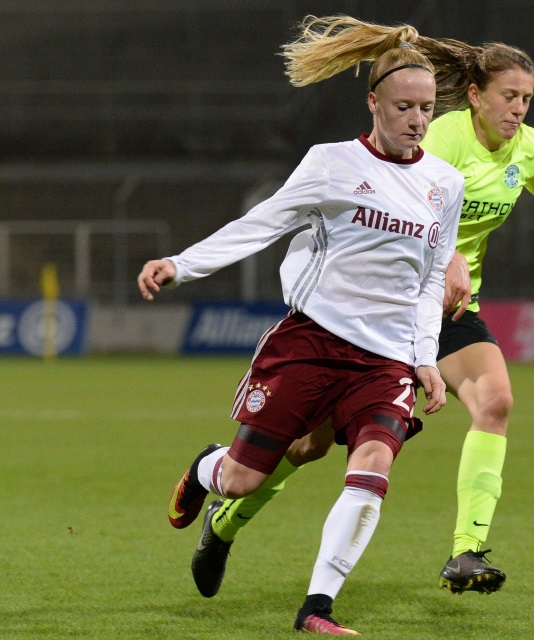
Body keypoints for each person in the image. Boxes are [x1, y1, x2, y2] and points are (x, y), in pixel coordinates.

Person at [187, 14, 534, 603]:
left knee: (497, 400)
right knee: (309, 446)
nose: (520, 110)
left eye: (528, 99)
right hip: (387, 312)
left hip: (451, 315)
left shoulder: (528, 148)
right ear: (477, 97)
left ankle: (467, 549)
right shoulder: (439, 136)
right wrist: (450, 255)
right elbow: (404, 198)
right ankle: (224, 524)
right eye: (510, 96)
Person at [140, 38, 463, 636]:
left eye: (427, 109)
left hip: (385, 361)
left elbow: (428, 283)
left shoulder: (446, 184)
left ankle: (317, 607)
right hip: (313, 343)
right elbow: (260, 225)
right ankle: (205, 469)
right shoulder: (332, 163)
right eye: (403, 107)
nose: (417, 120)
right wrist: (181, 264)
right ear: (373, 103)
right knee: (246, 477)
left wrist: (425, 360)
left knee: (372, 470)